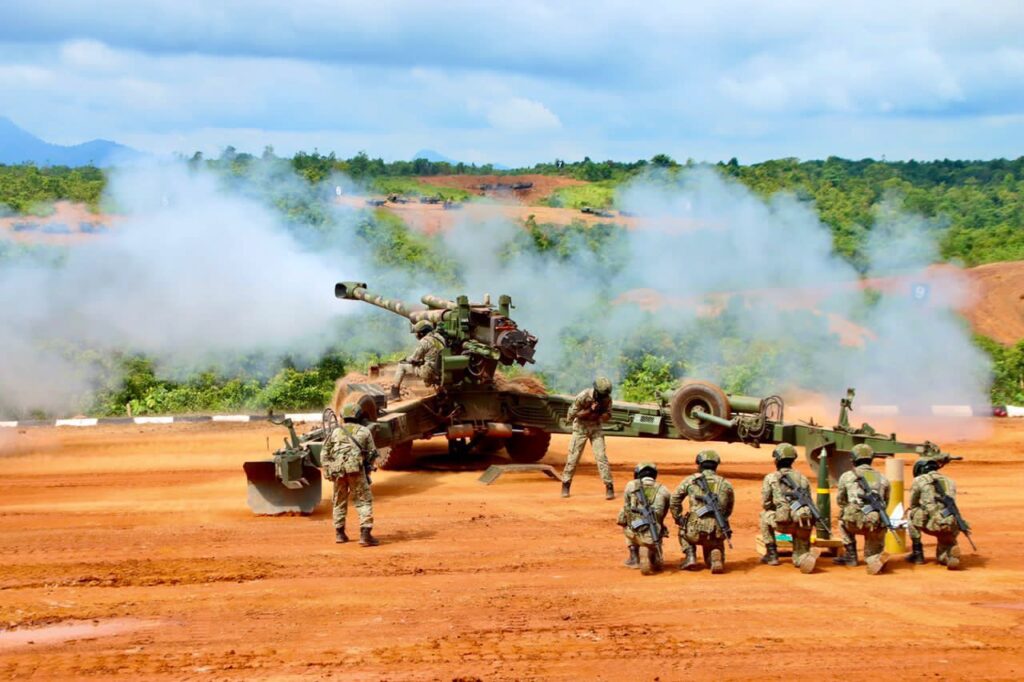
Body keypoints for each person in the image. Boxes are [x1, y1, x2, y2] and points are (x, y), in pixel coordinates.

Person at [320, 402, 380, 546]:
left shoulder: (335, 431)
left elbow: (324, 453)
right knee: (363, 501)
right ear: (359, 415)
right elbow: (372, 453)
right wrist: (368, 468)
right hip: (356, 471)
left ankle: (340, 534)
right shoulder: (364, 431)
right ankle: (365, 536)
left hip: (338, 472)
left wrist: (329, 469)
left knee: (338, 501)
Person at [670, 450, 735, 574]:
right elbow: (729, 508)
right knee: (716, 541)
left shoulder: (690, 480)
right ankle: (715, 553)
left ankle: (690, 556)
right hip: (717, 529)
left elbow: (674, 499)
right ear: (716, 465)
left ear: (699, 464)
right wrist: (722, 518)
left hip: (694, 530)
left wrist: (678, 517)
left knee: (683, 529)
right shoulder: (725, 483)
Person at [759, 443, 820, 573]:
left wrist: (778, 507)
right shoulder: (803, 478)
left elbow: (765, 503)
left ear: (777, 459)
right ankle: (802, 558)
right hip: (802, 523)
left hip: (783, 523)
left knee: (763, 516)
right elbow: (808, 501)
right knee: (800, 553)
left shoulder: (771, 478)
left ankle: (772, 555)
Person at [833, 443, 891, 574]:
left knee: (842, 520)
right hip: (875, 523)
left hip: (852, 523)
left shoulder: (847, 476)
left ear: (854, 459)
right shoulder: (883, 479)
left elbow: (841, 501)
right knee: (874, 546)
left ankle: (851, 556)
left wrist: (852, 510)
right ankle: (874, 559)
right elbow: (885, 503)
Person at [560, 376, 615, 499]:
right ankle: (566, 483)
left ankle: (609, 486)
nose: (602, 398)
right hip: (581, 428)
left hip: (596, 428)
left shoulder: (607, 399)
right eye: (601, 395)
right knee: (573, 457)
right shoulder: (583, 396)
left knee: (601, 457)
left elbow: (608, 415)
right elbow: (572, 415)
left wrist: (600, 414)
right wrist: (590, 410)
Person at [906, 458, 965, 569]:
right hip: (950, 524)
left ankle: (918, 554)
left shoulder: (919, 480)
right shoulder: (950, 481)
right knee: (942, 552)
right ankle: (949, 555)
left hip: (931, 524)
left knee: (911, 513)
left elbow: (913, 504)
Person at [617, 462, 671, 575]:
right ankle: (654, 554)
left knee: (626, 519)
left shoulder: (631, 485)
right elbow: (664, 513)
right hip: (654, 531)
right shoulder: (664, 489)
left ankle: (634, 556)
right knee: (658, 526)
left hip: (634, 531)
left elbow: (626, 506)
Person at [391, 319, 446, 399]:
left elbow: (414, 358)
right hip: (441, 371)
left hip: (429, 372)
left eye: (417, 332)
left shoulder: (425, 341)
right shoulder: (441, 338)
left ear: (422, 332)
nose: (416, 335)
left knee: (401, 365)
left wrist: (405, 359)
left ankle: (395, 392)